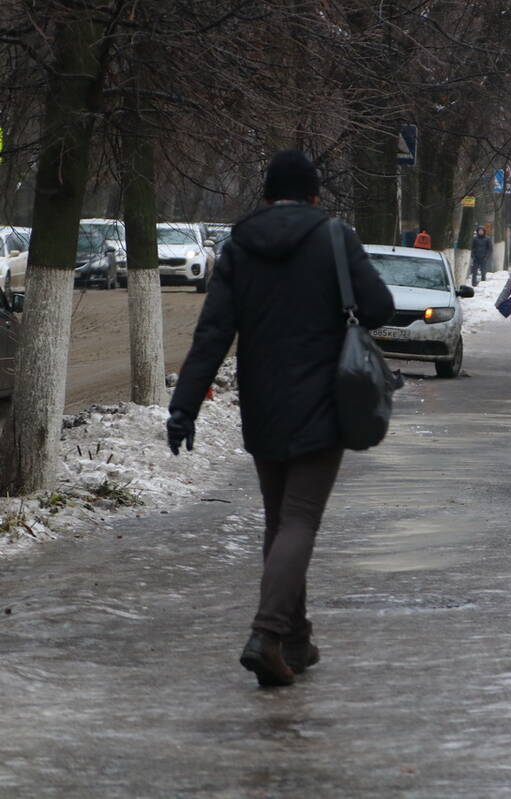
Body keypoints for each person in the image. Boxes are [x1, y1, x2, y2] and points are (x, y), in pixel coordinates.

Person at [166, 150, 394, 688]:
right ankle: (267, 634)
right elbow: (380, 307)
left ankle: (295, 638)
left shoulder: (240, 245)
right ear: (315, 195)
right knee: (300, 520)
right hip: (323, 398)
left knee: (280, 519)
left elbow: (213, 333)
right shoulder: (334, 237)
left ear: (267, 195)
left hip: (264, 401)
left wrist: (185, 406)